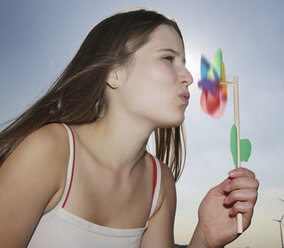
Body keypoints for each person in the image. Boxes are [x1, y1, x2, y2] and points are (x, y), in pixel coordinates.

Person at [0, 8, 259, 248]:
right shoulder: (48, 151)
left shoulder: (160, 183)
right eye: (168, 58)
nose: (189, 77)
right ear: (114, 73)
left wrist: (203, 237)